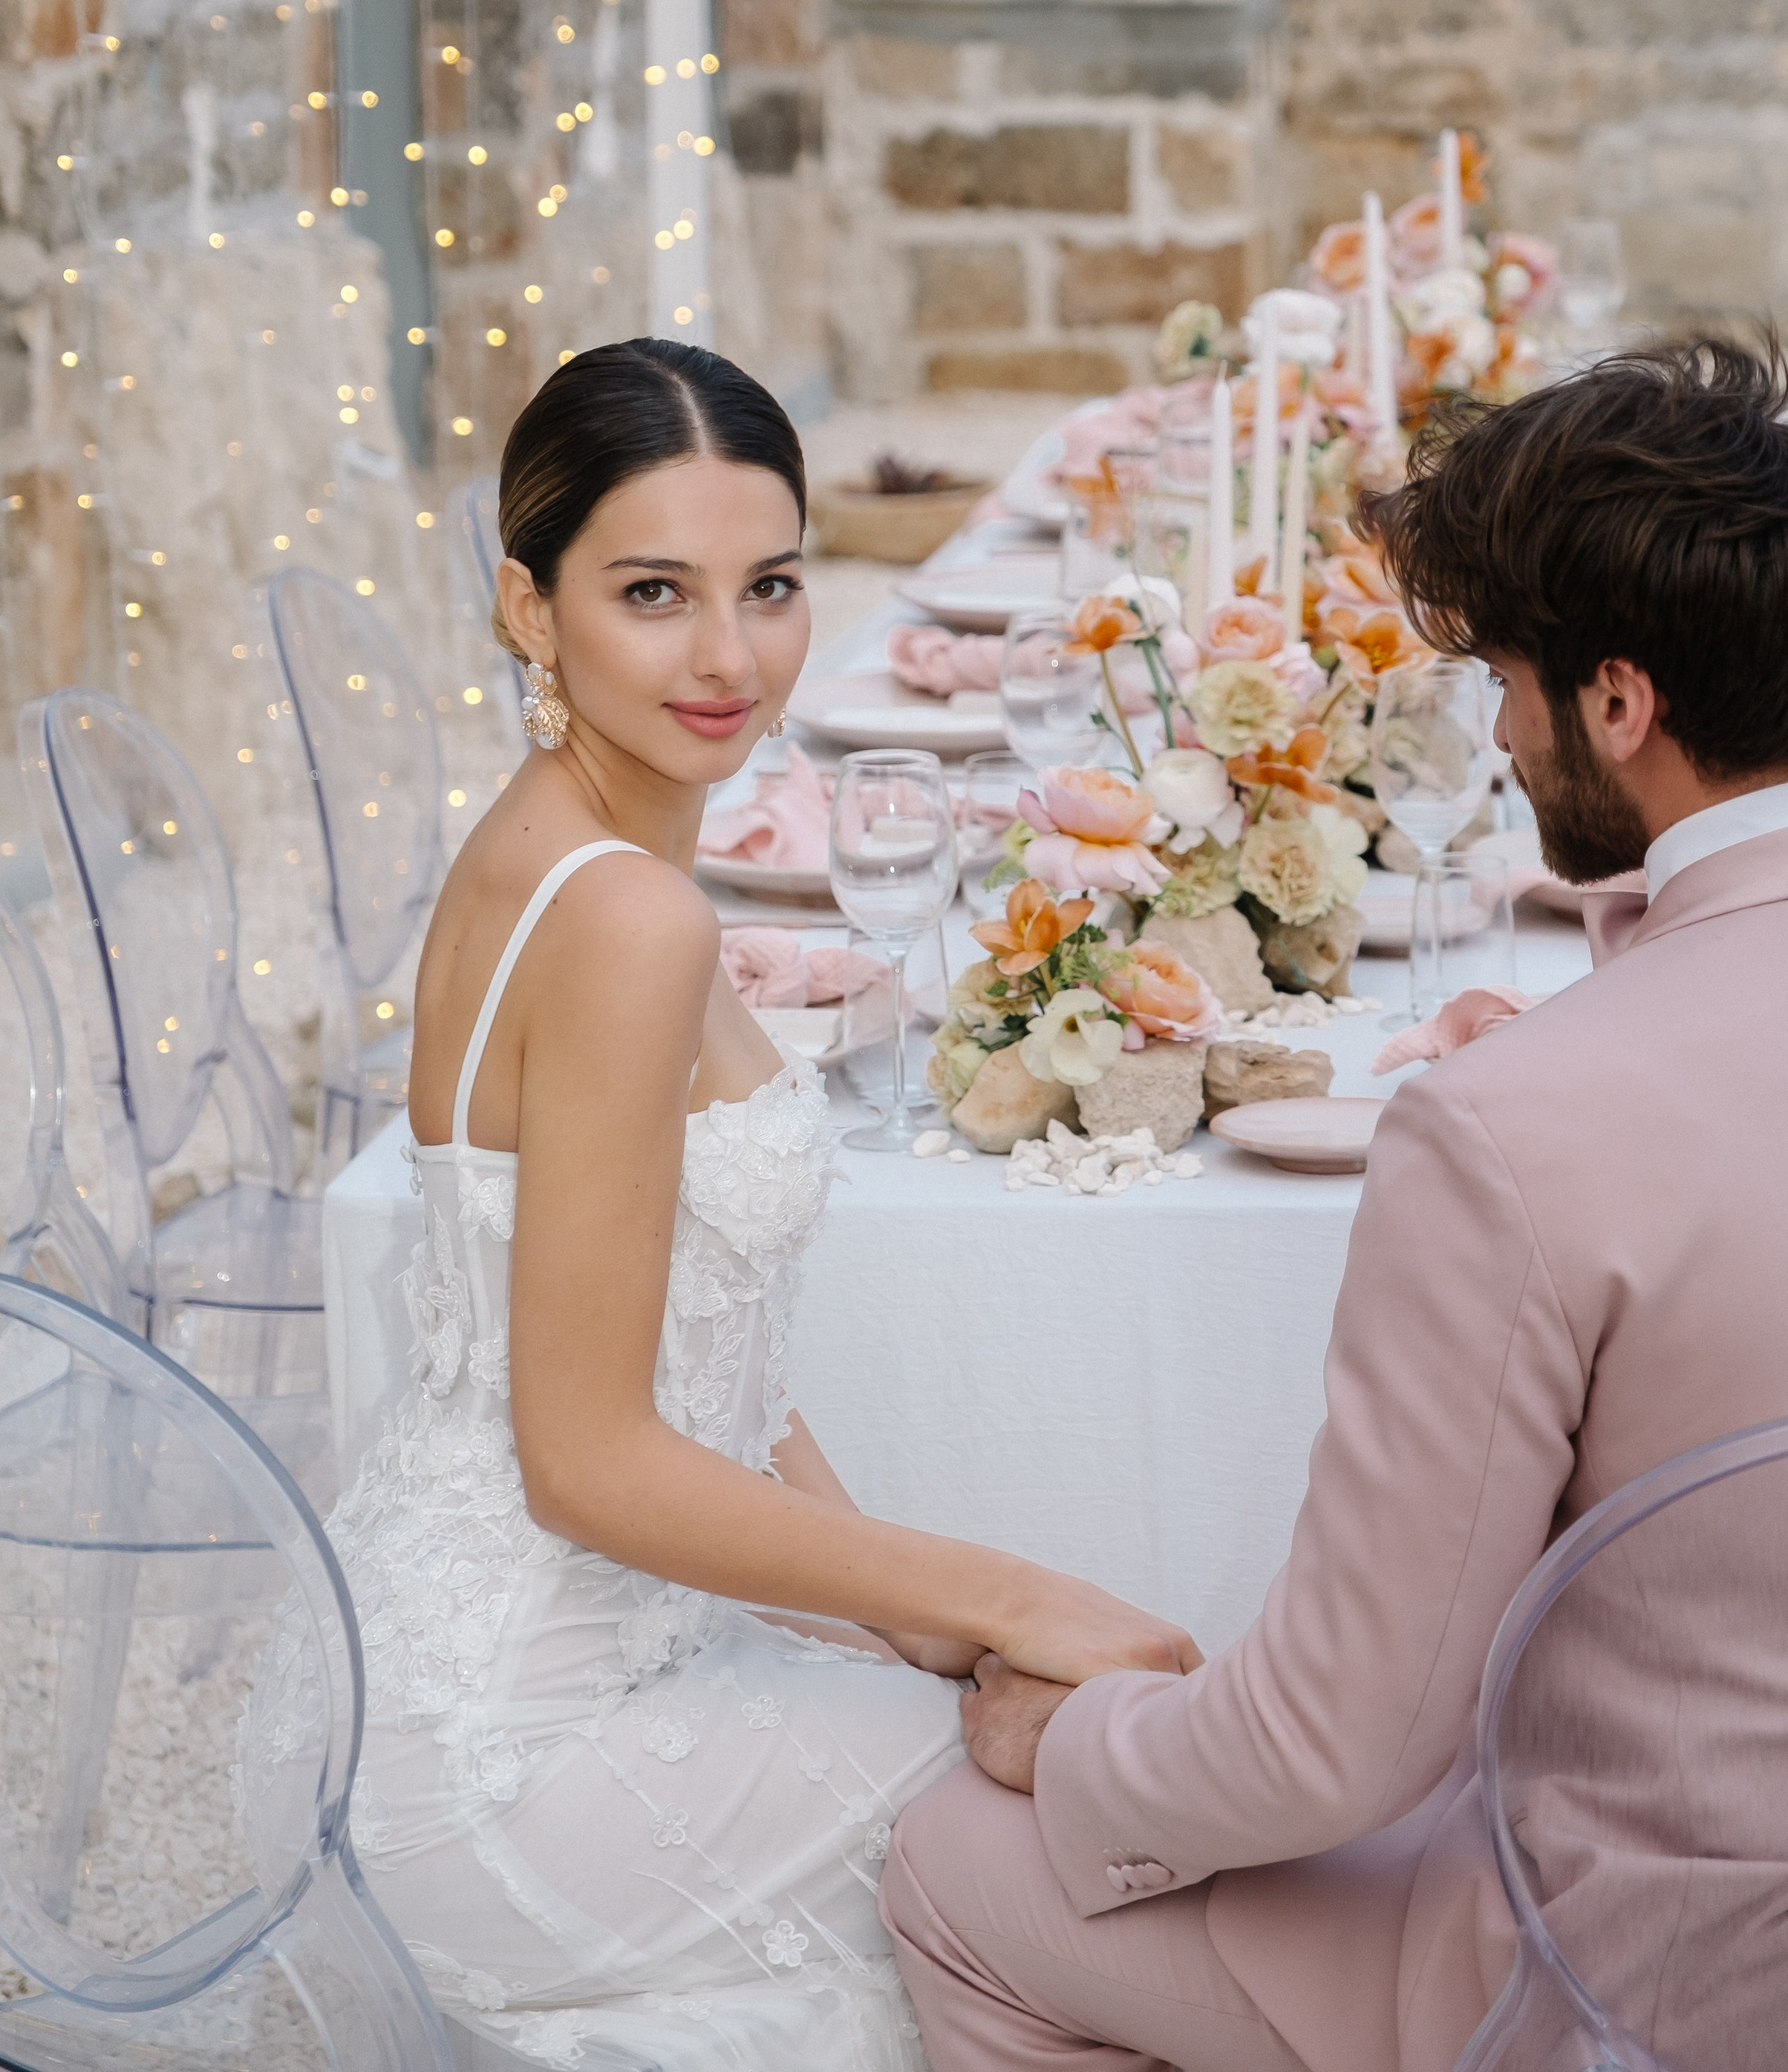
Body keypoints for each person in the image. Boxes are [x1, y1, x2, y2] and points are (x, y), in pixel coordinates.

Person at [882, 337, 1788, 2072]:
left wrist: (1072, 1745)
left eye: (1505, 678)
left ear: (1616, 705)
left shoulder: (1515, 1127)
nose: (1498, 735)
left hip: (1647, 1976)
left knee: (949, 1863)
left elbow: (1340, 1746)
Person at [314, 339, 1197, 2070]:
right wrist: (1004, 1601)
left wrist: (914, 1634)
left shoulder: (563, 846)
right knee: (1120, 1838)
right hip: (511, 1746)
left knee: (1051, 1759)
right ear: (526, 605)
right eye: (654, 593)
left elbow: (689, 1338)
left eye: (770, 587)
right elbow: (586, 1461)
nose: (728, 658)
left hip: (436, 1670)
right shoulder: (627, 922)